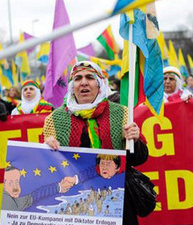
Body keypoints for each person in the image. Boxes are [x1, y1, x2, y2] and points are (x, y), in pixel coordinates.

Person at [43, 60, 148, 225]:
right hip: (77, 204)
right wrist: (47, 148)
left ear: (99, 84)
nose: (83, 82)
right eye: (78, 78)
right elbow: (48, 167)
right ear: (72, 86)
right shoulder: (54, 120)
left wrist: (135, 139)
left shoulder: (121, 113)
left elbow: (139, 159)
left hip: (118, 200)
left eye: (89, 77)